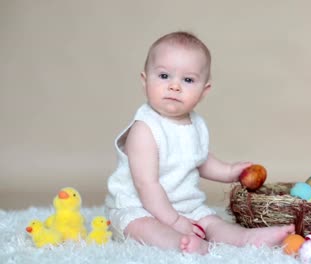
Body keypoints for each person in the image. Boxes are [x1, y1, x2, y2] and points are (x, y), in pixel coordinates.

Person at [104, 31, 294, 254]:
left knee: (212, 223)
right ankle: (178, 243)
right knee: (142, 227)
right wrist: (174, 222)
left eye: (188, 80)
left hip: (186, 206)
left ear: (204, 91)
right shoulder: (144, 129)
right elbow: (146, 185)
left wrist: (229, 171)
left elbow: (199, 159)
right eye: (164, 76)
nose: (175, 86)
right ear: (145, 80)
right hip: (139, 206)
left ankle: (246, 237)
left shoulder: (196, 124)